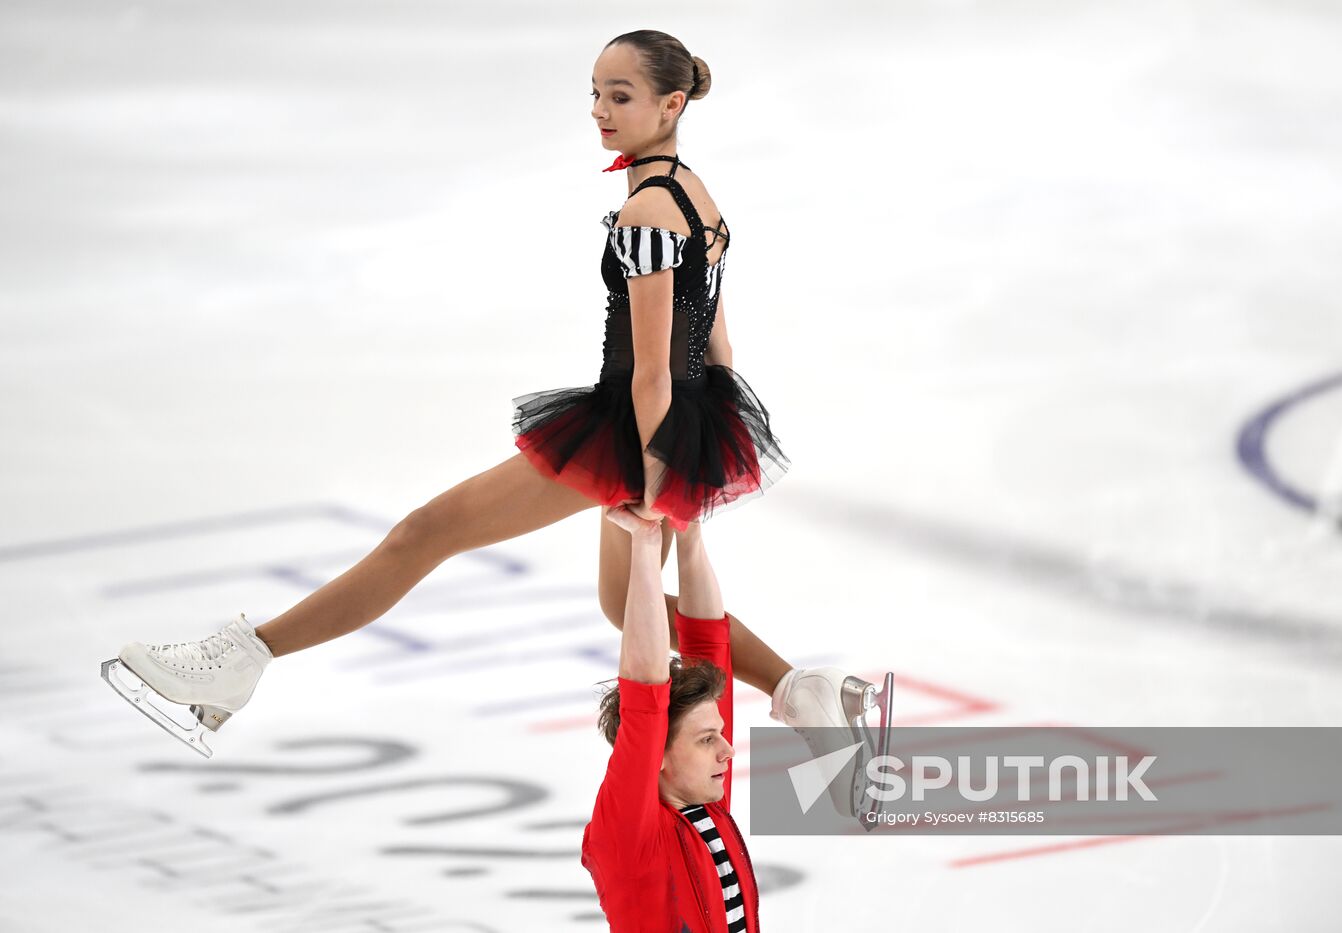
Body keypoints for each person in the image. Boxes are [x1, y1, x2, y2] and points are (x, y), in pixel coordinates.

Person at [98, 30, 891, 786]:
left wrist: (656, 485)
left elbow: (652, 373)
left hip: (630, 429)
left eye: (620, 95)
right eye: (594, 93)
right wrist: (696, 448)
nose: (599, 110)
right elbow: (714, 338)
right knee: (623, 605)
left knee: (422, 533)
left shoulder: (647, 211)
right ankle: (799, 690)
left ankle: (244, 658)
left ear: (672, 105)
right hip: (677, 423)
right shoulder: (694, 192)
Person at [583, 503, 755, 932]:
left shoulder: (701, 800)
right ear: (655, 755)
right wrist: (644, 544)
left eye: (718, 735)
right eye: (707, 740)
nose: (727, 749)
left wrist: (689, 529)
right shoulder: (631, 840)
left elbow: (709, 641)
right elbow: (644, 698)